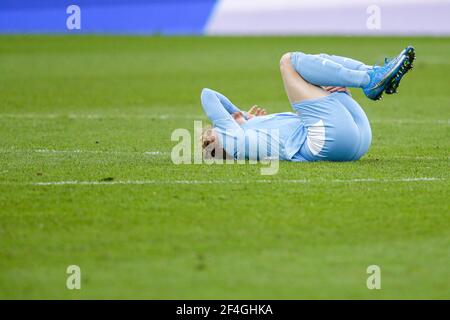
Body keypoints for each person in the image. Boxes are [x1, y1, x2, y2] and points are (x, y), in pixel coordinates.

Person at [200, 47, 415, 162]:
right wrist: (236, 113)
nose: (211, 131)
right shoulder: (231, 141)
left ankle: (376, 74)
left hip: (354, 141)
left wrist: (245, 118)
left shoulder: (246, 135)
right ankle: (370, 79)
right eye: (211, 134)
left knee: (321, 66)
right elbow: (208, 95)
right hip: (328, 140)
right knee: (289, 61)